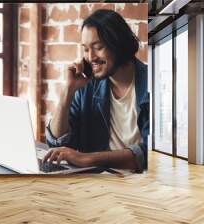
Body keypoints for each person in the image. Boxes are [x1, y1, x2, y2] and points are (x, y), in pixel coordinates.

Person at [43, 9, 149, 173]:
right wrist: (68, 90)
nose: (90, 57)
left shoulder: (150, 84)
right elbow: (58, 142)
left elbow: (148, 153)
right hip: (96, 182)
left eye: (98, 47)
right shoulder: (87, 86)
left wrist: (85, 159)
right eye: (85, 49)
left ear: (119, 44)